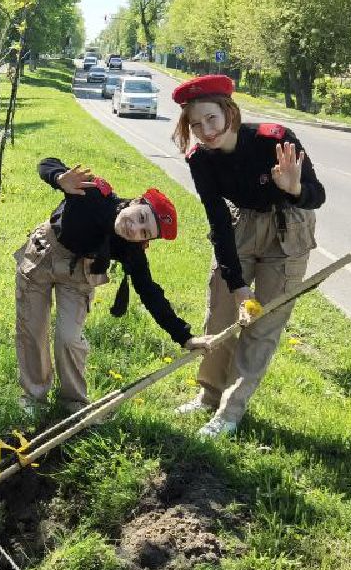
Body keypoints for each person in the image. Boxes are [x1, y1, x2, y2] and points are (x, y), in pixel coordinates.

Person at [171, 74, 327, 437]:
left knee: (262, 324)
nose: (206, 131)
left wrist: (294, 188)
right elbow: (218, 221)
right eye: (196, 124)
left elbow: (317, 195)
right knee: (221, 312)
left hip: (288, 231)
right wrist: (238, 286)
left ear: (229, 111)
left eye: (211, 118)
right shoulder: (200, 159)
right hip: (240, 229)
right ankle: (208, 396)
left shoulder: (275, 139)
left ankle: (229, 413)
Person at [16, 157, 213, 415]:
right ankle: (34, 396)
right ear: (135, 202)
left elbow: (149, 292)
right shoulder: (94, 194)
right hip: (43, 256)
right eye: (141, 217)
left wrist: (185, 337)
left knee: (69, 337)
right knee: (32, 329)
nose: (135, 228)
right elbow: (46, 163)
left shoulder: (131, 249)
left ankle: (72, 402)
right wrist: (59, 179)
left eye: (144, 232)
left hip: (79, 275)